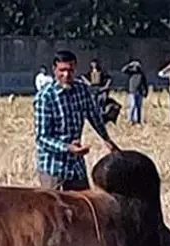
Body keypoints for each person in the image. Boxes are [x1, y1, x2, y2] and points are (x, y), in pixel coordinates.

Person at [34, 49, 120, 192]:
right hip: (53, 166)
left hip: (76, 166)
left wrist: (107, 140)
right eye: (62, 70)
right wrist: (68, 147)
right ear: (54, 70)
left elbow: (94, 116)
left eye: (70, 70)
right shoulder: (45, 98)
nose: (66, 75)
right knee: (55, 212)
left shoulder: (81, 90)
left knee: (83, 208)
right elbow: (42, 138)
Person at [121, 60, 148, 125]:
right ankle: (130, 119)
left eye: (138, 66)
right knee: (133, 105)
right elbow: (123, 70)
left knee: (139, 106)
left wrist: (146, 91)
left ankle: (138, 121)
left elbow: (145, 83)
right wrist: (130, 65)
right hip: (132, 91)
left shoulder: (141, 74)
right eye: (135, 66)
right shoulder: (131, 72)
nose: (136, 68)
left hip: (140, 92)